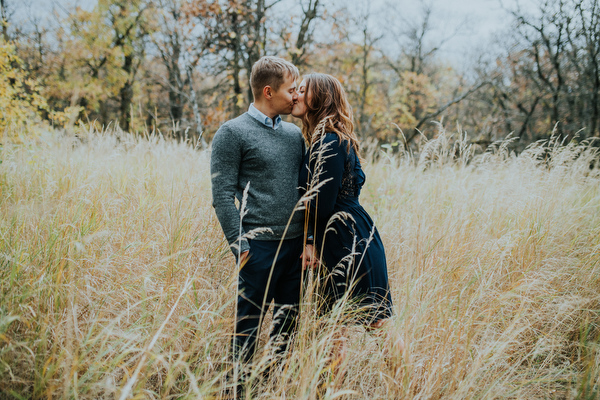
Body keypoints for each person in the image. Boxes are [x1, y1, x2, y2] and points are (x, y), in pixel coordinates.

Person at [210, 56, 307, 367]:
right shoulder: (232, 132)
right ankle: (237, 390)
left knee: (286, 332)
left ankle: (271, 387)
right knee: (246, 334)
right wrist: (241, 248)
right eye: (291, 90)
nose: (297, 96)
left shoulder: (294, 135)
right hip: (258, 249)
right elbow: (222, 196)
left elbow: (305, 190)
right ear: (268, 91)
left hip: (294, 249)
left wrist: (307, 240)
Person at [292, 73, 393, 328]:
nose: (295, 95)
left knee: (375, 324)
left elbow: (322, 204)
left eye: (303, 90)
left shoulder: (329, 141)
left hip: (348, 241)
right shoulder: (324, 138)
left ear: (321, 97)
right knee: (333, 328)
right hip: (341, 238)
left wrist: (310, 241)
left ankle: (405, 371)